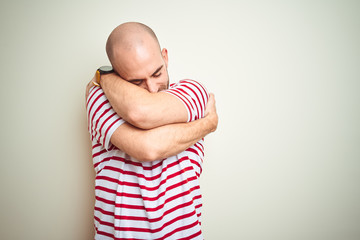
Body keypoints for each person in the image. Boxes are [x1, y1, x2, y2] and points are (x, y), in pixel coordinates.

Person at [86, 22, 218, 239]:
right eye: (136, 81)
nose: (152, 89)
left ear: (165, 57)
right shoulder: (99, 97)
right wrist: (207, 125)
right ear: (118, 75)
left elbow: (144, 114)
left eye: (157, 73)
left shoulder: (194, 91)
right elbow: (147, 145)